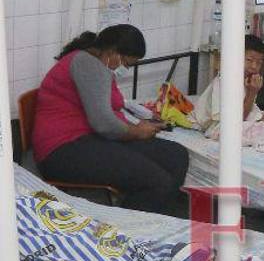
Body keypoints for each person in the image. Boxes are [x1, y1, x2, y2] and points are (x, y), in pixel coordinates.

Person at [33, 24, 189, 213]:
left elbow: (111, 109)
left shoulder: (97, 63)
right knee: (156, 181)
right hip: (62, 150)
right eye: (126, 63)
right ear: (113, 52)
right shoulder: (88, 64)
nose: (125, 69)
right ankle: (128, 227)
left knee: (176, 155)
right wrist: (137, 132)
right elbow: (104, 124)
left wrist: (139, 124)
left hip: (91, 138)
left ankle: (161, 213)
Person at [191, 35, 264, 138]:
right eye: (249, 60)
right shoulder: (226, 81)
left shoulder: (248, 79)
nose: (254, 66)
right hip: (215, 125)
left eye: (259, 63)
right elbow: (236, 120)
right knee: (260, 133)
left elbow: (250, 108)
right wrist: (252, 92)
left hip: (235, 119)